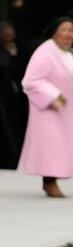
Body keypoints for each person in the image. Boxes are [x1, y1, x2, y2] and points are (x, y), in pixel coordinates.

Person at [18, 17, 73, 198]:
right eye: (64, 30)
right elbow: (31, 80)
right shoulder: (46, 51)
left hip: (64, 109)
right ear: (54, 31)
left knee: (60, 144)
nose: (69, 34)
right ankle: (49, 181)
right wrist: (53, 95)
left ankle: (53, 179)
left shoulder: (66, 53)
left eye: (72, 31)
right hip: (48, 108)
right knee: (50, 144)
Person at [0, 21, 28, 169]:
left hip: (15, 95)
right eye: (6, 35)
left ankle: (15, 157)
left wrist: (14, 55)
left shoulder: (19, 48)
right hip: (3, 95)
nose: (10, 38)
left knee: (15, 125)